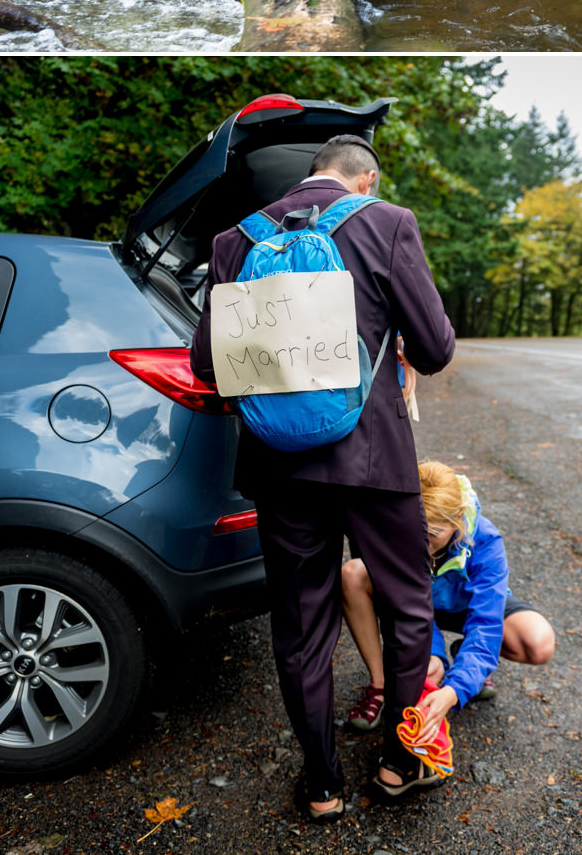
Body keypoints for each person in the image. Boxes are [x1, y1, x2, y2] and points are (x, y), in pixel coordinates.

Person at [189, 135, 456, 821]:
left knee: (302, 626)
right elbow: (434, 348)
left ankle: (322, 784)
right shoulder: (387, 222)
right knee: (406, 607)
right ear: (365, 179)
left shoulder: (233, 241)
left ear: (311, 176)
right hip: (374, 461)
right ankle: (399, 764)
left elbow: (206, 366)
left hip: (279, 467)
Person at [341, 460, 555, 750]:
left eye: (430, 536)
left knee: (538, 642)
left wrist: (455, 689)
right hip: (417, 606)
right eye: (414, 531)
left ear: (457, 521)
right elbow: (407, 602)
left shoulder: (486, 540)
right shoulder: (400, 523)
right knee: (352, 573)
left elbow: (486, 623)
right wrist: (433, 655)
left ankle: (466, 663)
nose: (419, 543)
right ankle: (380, 685)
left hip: (467, 607)